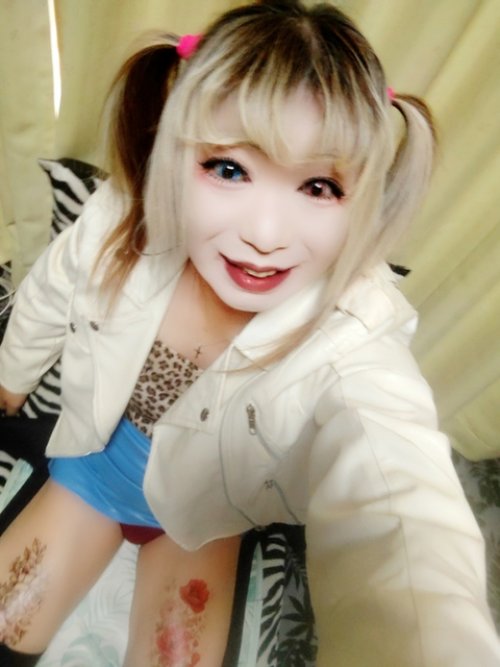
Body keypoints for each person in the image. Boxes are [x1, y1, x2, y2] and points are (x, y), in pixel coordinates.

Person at [0, 1, 499, 665]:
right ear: (174, 154)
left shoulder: (356, 329)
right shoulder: (118, 222)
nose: (265, 235)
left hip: (204, 519)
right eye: (228, 169)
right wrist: (10, 382)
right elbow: (47, 295)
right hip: (93, 471)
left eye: (318, 186)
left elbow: (401, 497)